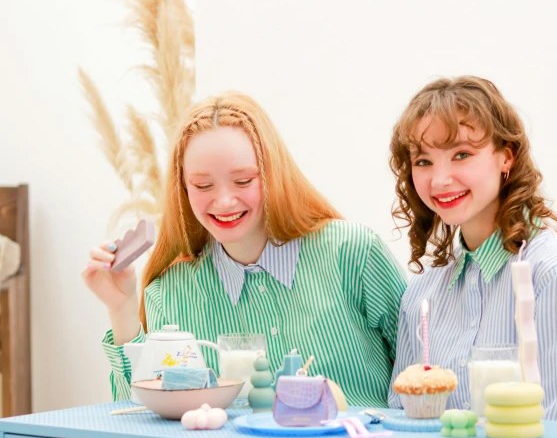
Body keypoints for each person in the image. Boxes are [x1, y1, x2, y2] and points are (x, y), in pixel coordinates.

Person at [83, 91, 407, 407]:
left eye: (243, 181)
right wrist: (122, 311)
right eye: (203, 185)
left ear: (272, 174)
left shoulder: (354, 254)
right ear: (183, 188)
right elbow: (136, 414)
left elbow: (424, 373)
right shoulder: (169, 293)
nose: (224, 201)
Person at [387, 76, 557, 422]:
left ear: (505, 157)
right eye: (423, 161)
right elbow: (402, 422)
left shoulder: (553, 275)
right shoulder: (422, 295)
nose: (440, 179)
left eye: (461, 154)